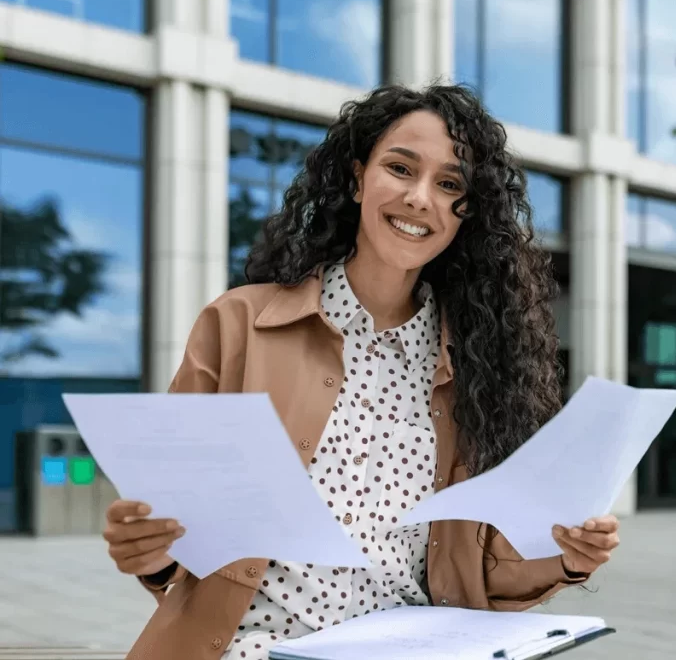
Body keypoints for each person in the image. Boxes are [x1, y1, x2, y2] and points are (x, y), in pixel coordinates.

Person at [101, 84, 622, 660]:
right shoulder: (239, 324)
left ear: (465, 214)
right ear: (357, 178)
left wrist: (569, 555)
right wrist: (151, 552)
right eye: (401, 168)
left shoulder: (480, 369)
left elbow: (484, 573)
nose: (421, 198)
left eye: (450, 185)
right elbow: (176, 529)